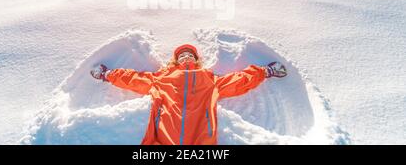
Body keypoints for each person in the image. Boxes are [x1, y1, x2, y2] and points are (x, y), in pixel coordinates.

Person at [90, 44, 287, 145]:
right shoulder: (162, 77)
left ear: (196, 59)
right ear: (176, 60)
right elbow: (133, 79)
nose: (186, 56)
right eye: (182, 54)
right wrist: (108, 75)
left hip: (201, 141)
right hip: (163, 140)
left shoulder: (208, 79)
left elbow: (238, 81)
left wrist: (265, 71)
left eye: (189, 54)